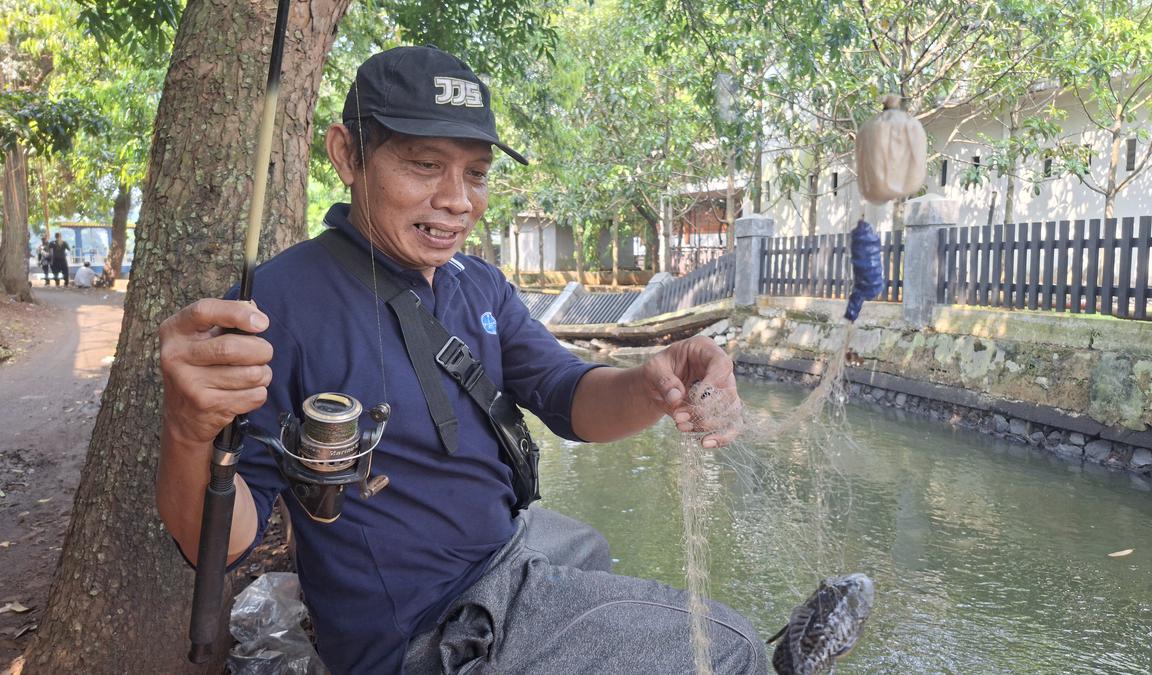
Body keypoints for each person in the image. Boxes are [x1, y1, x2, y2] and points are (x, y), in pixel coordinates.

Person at [157, 46, 855, 674]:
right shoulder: (276, 303)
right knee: (727, 643)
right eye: (423, 164)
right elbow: (220, 542)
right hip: (425, 629)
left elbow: (568, 394)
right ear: (346, 154)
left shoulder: (476, 284)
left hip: (504, 554)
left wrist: (652, 381)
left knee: (586, 543)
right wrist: (189, 432)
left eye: (476, 173)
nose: (457, 200)